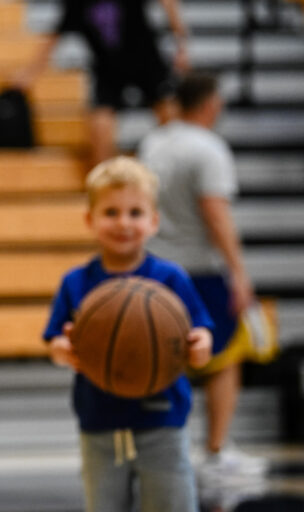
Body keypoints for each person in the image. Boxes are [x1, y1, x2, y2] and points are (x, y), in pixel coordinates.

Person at [43, 156, 213, 512]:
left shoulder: (171, 278)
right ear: (90, 220)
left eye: (135, 213)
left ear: (154, 221)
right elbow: (55, 341)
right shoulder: (76, 282)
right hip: (99, 425)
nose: (123, 222)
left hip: (162, 422)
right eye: (111, 212)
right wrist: (66, 350)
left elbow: (201, 335)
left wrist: (200, 347)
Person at [138, 73, 268, 485]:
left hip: (154, 266)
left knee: (162, 362)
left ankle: (156, 452)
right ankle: (215, 452)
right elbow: (215, 213)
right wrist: (239, 273)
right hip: (200, 270)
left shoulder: (152, 142)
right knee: (224, 359)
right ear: (211, 104)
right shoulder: (208, 148)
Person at [13, 0, 190, 166]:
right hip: (108, 70)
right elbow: (55, 36)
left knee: (172, 122)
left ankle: (180, 173)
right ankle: (103, 185)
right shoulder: (76, 2)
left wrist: (180, 44)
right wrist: (30, 73)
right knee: (99, 127)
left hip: (146, 62)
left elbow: (168, 2)